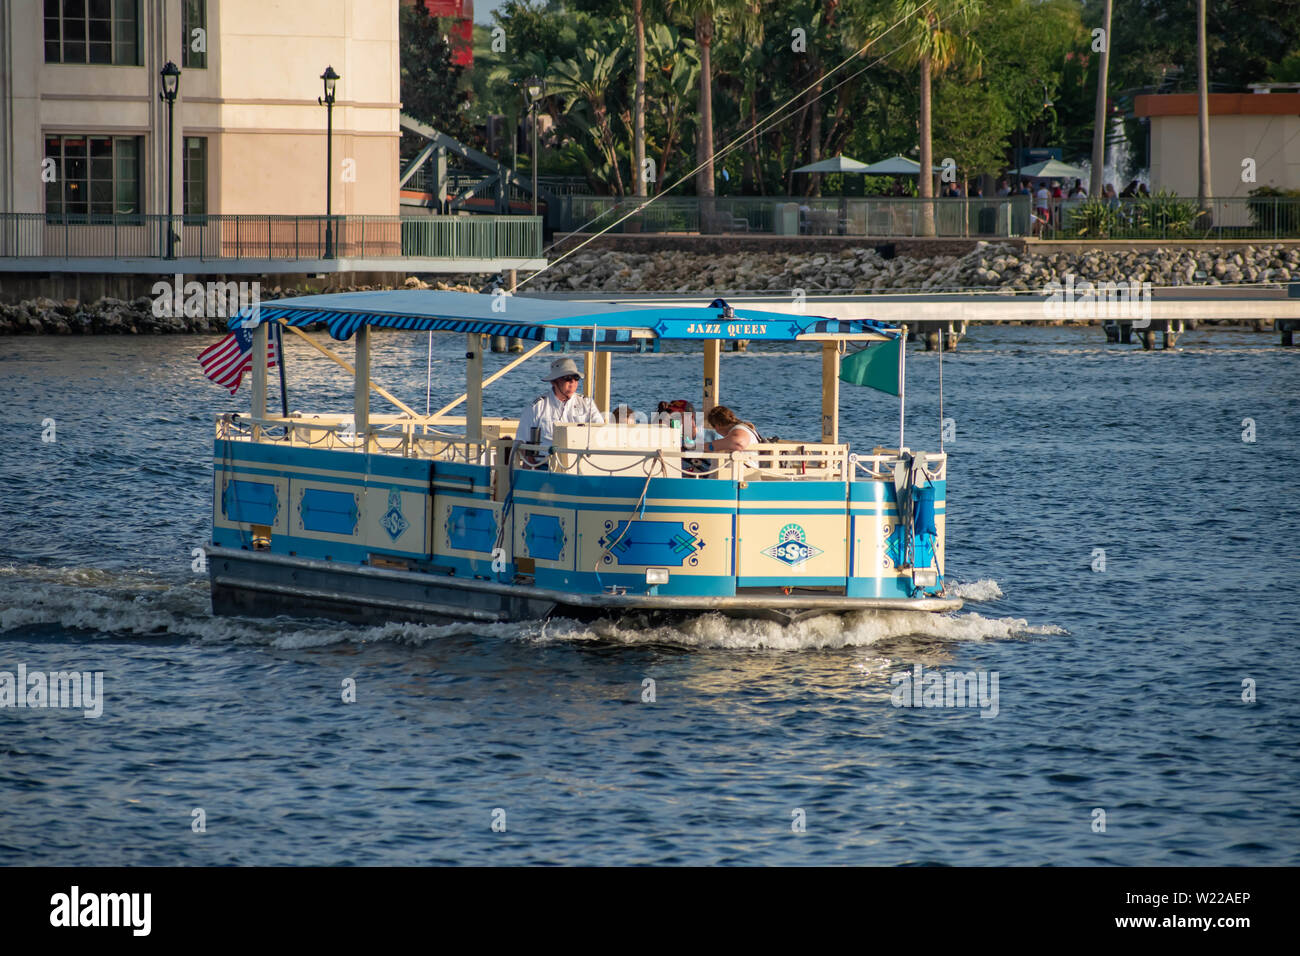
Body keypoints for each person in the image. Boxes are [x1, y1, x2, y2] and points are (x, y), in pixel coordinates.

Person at [513, 356, 604, 465]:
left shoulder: (587, 404)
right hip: (544, 467)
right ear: (553, 382)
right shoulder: (537, 407)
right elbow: (521, 442)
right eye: (567, 378)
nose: (573, 383)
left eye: (576, 378)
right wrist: (534, 468)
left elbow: (600, 431)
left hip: (581, 465)